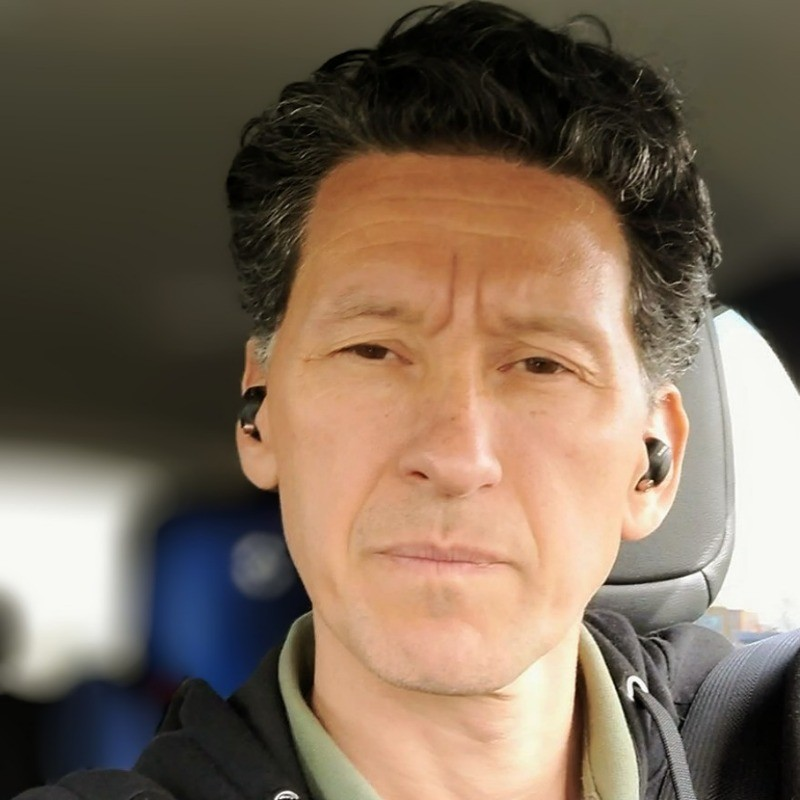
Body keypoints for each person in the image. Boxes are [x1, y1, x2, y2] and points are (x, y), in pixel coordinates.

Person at [19, 2, 784, 799]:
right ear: (260, 413)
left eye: (541, 365)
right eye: (373, 351)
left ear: (654, 465)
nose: (455, 457)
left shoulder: (771, 742)